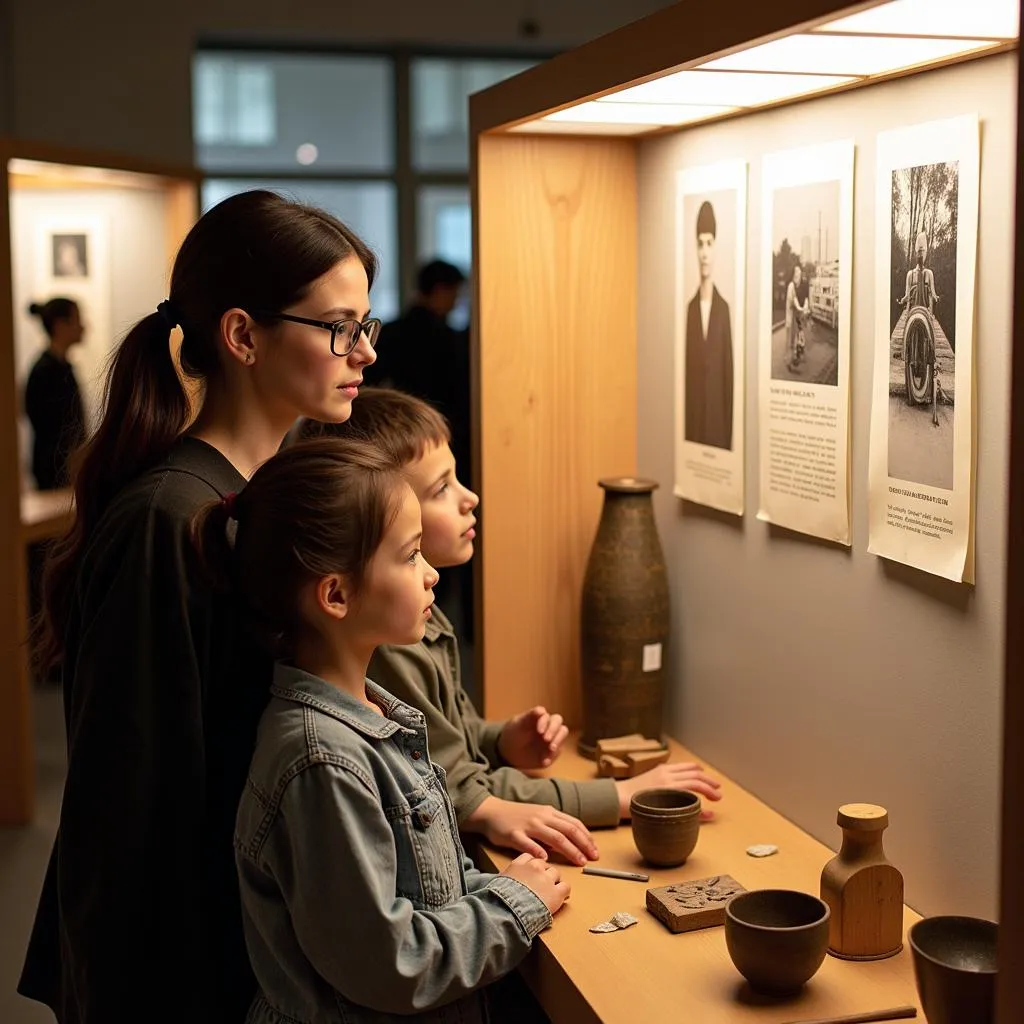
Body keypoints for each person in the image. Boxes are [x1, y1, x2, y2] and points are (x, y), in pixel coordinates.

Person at [19, 189, 380, 1023]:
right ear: (243, 336)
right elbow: (130, 807)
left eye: (367, 326)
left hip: (248, 934)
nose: (361, 353)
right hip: (178, 966)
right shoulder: (167, 520)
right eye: (338, 328)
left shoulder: (262, 497)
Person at [192, 438, 568, 1023]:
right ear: (336, 595)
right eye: (410, 555)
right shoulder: (321, 762)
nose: (430, 577)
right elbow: (390, 964)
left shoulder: (376, 717)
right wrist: (513, 902)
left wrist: (505, 888)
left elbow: (433, 882)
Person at [300, 389, 723, 867]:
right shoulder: (387, 644)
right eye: (441, 489)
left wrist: (499, 741)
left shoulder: (419, 611)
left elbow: (453, 738)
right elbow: (459, 787)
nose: (470, 497)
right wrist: (619, 795)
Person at [684, 201, 734, 450]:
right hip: (693, 433)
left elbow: (728, 383)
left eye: (709, 244)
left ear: (715, 247)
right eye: (700, 244)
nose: (704, 253)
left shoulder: (723, 311)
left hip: (717, 435)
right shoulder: (690, 311)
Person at [24, 298, 86, 490]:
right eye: (77, 319)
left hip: (65, 468)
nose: (83, 327)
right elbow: (47, 426)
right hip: (53, 471)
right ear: (60, 325)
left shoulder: (62, 367)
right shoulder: (44, 371)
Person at [785, 263, 811, 370]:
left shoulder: (799, 286)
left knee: (797, 337)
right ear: (793, 276)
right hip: (791, 318)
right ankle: (789, 360)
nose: (798, 277)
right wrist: (801, 308)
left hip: (796, 317)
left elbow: (804, 298)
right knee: (791, 339)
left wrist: (804, 307)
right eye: (797, 274)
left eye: (799, 274)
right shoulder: (791, 286)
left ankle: (795, 357)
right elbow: (794, 300)